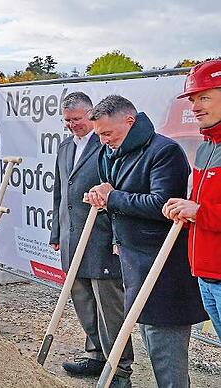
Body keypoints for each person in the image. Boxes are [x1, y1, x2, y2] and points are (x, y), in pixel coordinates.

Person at [86, 95, 207, 387]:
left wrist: (113, 198)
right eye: (99, 134)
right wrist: (103, 195)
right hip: (136, 262)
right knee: (151, 338)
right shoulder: (113, 152)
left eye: (107, 133)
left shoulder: (164, 151)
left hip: (163, 266)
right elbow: (116, 195)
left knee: (165, 346)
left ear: (129, 121)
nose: (103, 140)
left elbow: (163, 204)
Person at [49, 92, 132, 385]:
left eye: (76, 119)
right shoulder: (65, 147)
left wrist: (117, 237)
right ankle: (95, 354)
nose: (72, 125)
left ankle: (119, 368)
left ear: (90, 113)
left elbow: (118, 189)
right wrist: (56, 231)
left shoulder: (106, 144)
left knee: (109, 304)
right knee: (82, 299)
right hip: (71, 236)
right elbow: (60, 192)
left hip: (101, 236)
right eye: (67, 120)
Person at [163, 59, 221, 337]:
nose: (195, 107)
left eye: (204, 97)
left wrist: (199, 211)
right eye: (193, 99)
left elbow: (205, 210)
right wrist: (185, 213)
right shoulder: (206, 148)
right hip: (206, 275)